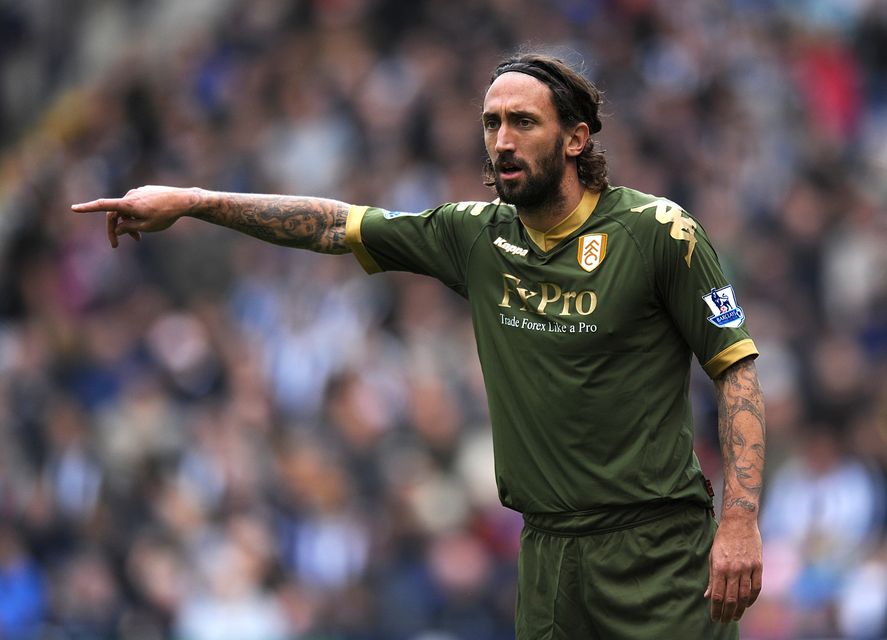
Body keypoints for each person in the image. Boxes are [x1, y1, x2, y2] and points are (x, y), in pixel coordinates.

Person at [72, 52, 765, 638]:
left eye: (523, 122)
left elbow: (735, 374)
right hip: (549, 555)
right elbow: (333, 224)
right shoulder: (474, 235)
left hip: (660, 555)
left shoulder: (658, 233)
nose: (500, 140)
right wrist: (195, 200)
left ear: (576, 139)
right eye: (491, 123)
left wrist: (737, 521)